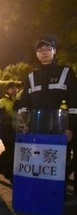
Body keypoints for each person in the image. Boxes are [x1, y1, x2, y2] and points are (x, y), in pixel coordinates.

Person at [16, 37, 77, 194]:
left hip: (59, 128)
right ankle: (38, 193)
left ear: (54, 51)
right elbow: (24, 103)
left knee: (57, 163)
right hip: (37, 128)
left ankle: (56, 195)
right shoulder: (31, 76)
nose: (44, 53)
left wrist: (71, 128)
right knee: (38, 161)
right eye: (40, 50)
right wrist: (23, 123)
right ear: (36, 54)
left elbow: (73, 103)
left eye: (47, 49)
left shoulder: (66, 72)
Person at [0, 82, 20, 181]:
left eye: (15, 88)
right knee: (11, 150)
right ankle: (8, 172)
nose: (14, 90)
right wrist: (10, 116)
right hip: (6, 129)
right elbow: (1, 115)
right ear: (7, 90)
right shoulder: (3, 101)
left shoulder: (18, 100)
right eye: (12, 88)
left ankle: (2, 169)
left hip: (15, 129)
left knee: (11, 150)